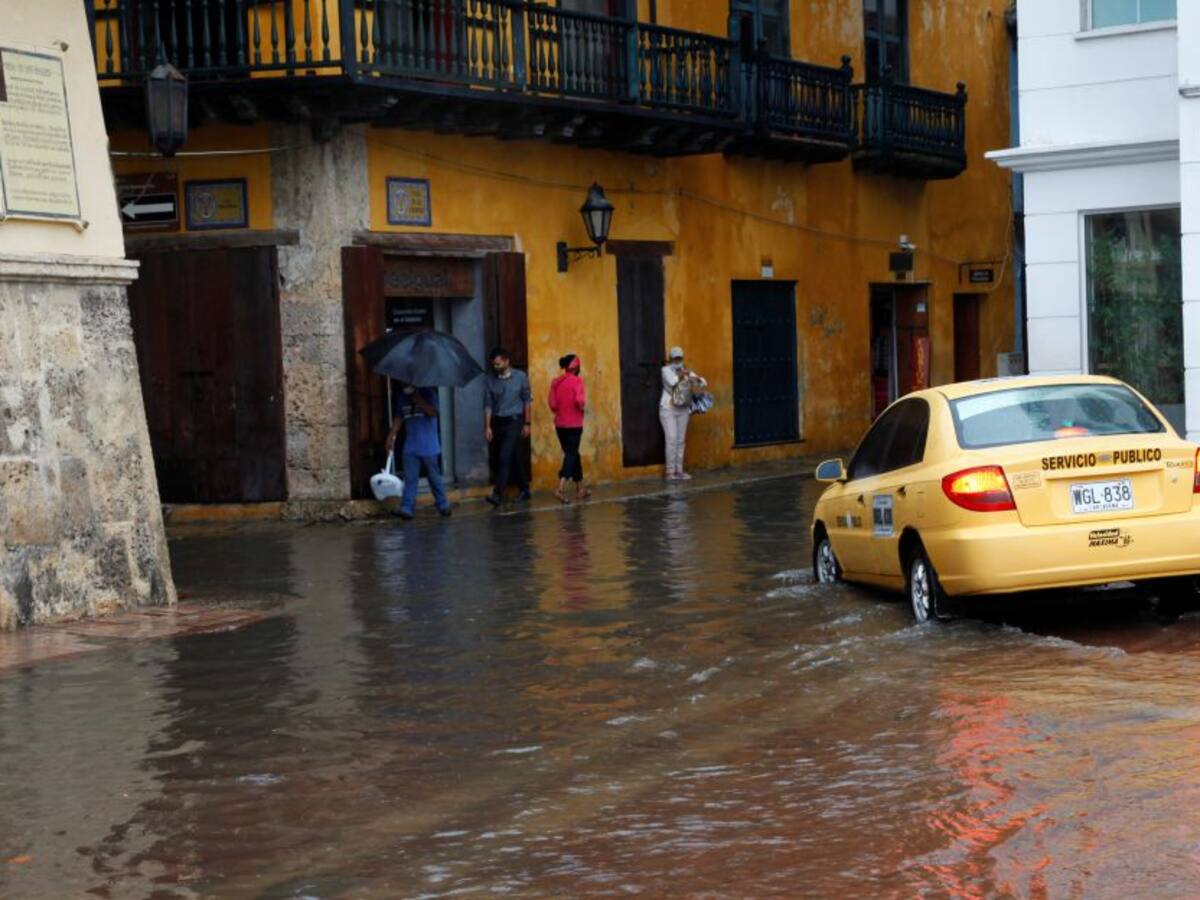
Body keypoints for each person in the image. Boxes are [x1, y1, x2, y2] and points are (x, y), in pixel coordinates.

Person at [386, 382, 451, 520]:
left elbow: (433, 413)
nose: (405, 385)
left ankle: (443, 505)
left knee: (434, 478)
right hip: (411, 446)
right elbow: (399, 417)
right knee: (410, 479)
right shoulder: (403, 397)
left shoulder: (429, 392)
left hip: (429, 446)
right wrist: (391, 436)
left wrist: (419, 400)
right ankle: (407, 508)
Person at [483, 347, 532, 506]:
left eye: (498, 364)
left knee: (505, 456)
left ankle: (497, 494)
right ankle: (525, 489)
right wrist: (488, 426)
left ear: (506, 361)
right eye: (493, 364)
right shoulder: (490, 379)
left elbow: (527, 400)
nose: (495, 367)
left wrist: (527, 423)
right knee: (515, 457)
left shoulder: (520, 377)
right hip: (498, 421)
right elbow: (488, 404)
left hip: (514, 420)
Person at [548, 353, 590, 504]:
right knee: (571, 455)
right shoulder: (577, 381)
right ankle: (560, 488)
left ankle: (580, 489)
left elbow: (552, 405)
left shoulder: (556, 382)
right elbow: (580, 401)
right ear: (577, 367)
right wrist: (583, 406)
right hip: (574, 425)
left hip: (560, 425)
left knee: (573, 455)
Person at [660, 346, 706, 481]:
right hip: (668, 408)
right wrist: (683, 374)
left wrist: (695, 379)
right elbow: (673, 382)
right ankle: (670, 472)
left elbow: (703, 383)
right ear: (670, 359)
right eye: (675, 359)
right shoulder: (666, 370)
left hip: (683, 408)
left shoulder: (685, 370)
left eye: (679, 358)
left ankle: (679, 471)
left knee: (680, 441)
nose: (677, 361)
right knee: (671, 439)